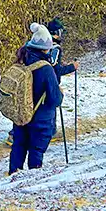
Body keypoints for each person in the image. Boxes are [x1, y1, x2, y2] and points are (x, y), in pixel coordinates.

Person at [8, 23, 76, 173]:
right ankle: (32, 179)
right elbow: (55, 100)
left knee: (18, 147)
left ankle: (12, 177)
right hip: (40, 118)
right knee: (36, 151)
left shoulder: (21, 61)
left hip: (21, 115)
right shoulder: (46, 68)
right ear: (46, 48)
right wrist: (60, 93)